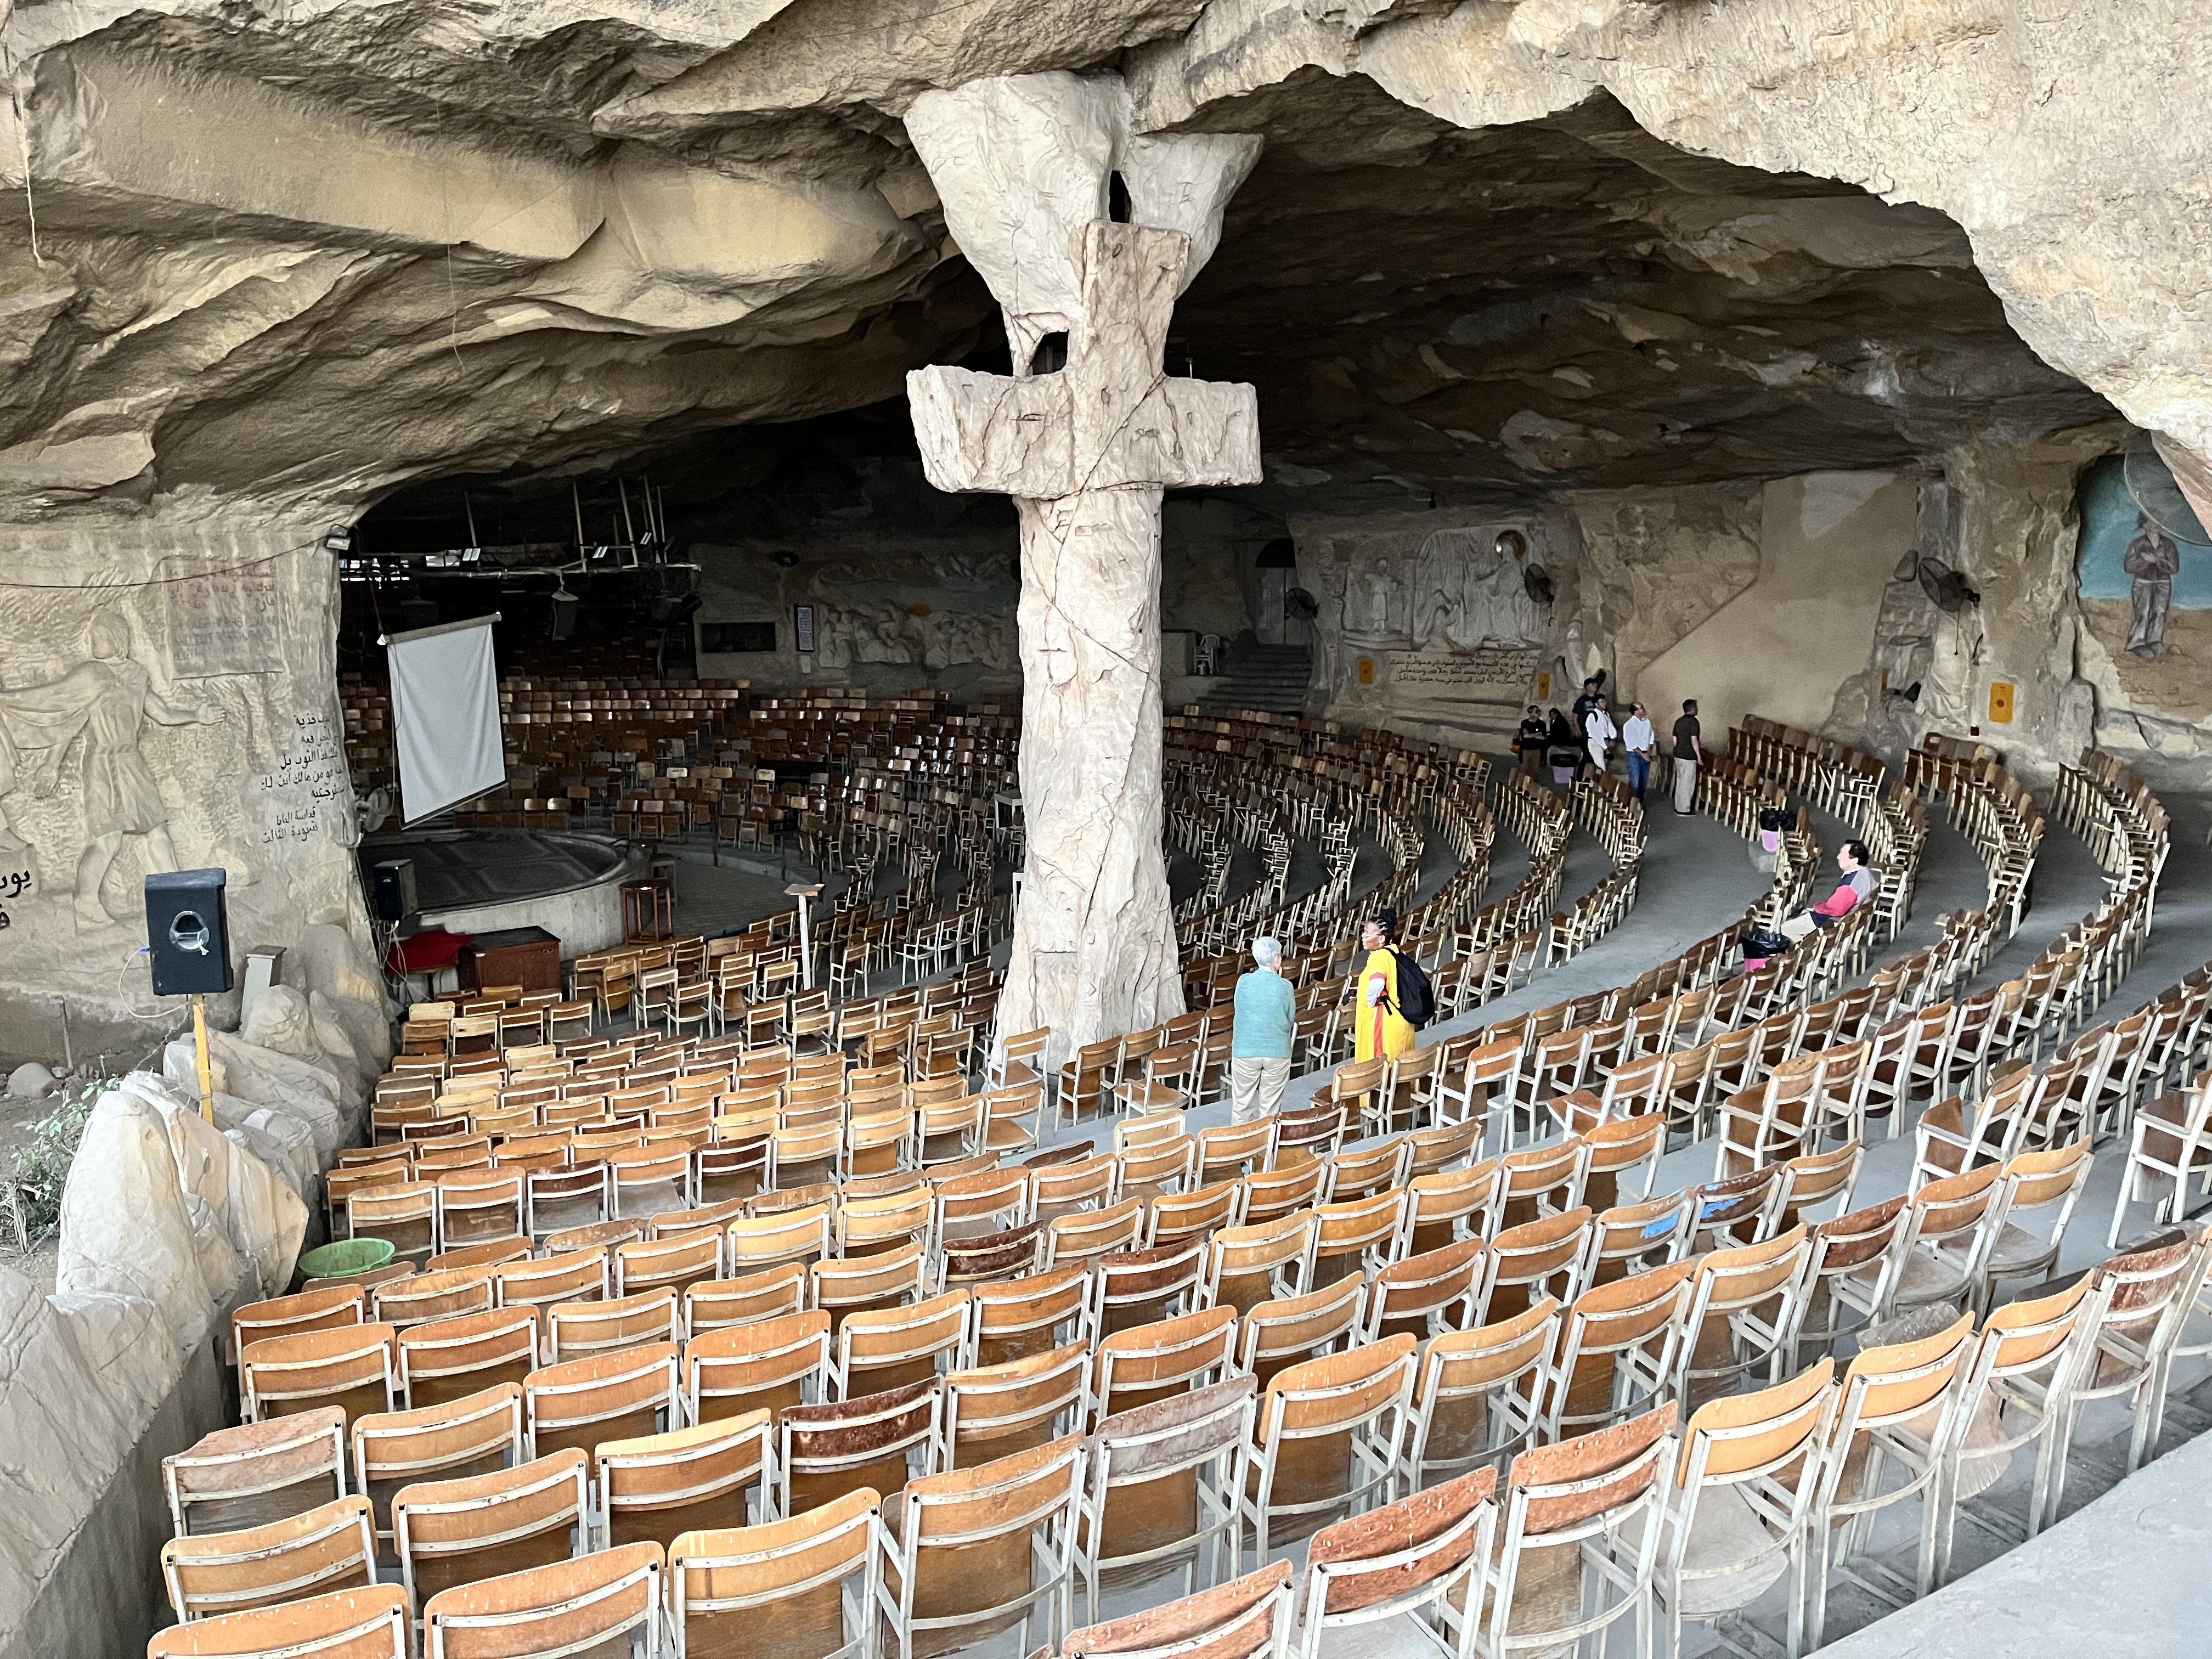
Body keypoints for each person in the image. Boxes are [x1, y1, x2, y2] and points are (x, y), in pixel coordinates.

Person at [1229, 935, 1296, 1124]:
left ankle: (1239, 1146)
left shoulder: (1243, 981)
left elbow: (1240, 1008)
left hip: (1245, 1050)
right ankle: (1266, 1147)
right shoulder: (1286, 986)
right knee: (1270, 1109)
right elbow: (1290, 1017)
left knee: (1241, 1105)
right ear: (1276, 959)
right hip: (1277, 1051)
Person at [1347, 909, 1418, 1062]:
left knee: (1379, 1070)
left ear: (1381, 939)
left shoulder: (1377, 957)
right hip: (1401, 1020)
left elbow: (1378, 982)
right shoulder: (1395, 950)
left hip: (1384, 1023)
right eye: (1364, 932)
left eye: (1368, 933)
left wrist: (1370, 1000)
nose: (1364, 937)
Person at [1779, 840, 1877, 944]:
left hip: (1833, 923)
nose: (1838, 857)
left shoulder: (1849, 886)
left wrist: (1817, 907)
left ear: (1854, 861)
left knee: (1787, 928)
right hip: (1848, 919)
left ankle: (1807, 954)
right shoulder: (1866, 873)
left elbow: (1835, 911)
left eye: (1842, 854)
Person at [2124, 512, 2183, 658]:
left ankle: (2155, 642)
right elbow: (2129, 567)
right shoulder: (2138, 544)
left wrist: (2156, 560)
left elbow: (2174, 568)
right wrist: (2146, 561)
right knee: (2143, 613)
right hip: (2143, 582)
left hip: (2163, 583)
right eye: (2152, 521)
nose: (2156, 524)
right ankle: (2137, 644)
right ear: (2144, 525)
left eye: (2158, 521)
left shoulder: (2168, 545)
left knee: (2160, 612)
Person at [1671, 698, 1703, 815]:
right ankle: (1684, 809)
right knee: (1688, 783)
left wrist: (1679, 748)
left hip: (1678, 754)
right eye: (1696, 707)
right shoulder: (1694, 722)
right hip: (1689, 756)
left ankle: (1678, 806)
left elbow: (1675, 738)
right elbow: (1694, 740)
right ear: (1693, 708)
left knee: (1680, 781)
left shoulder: (1679, 721)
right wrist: (1699, 757)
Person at [1622, 701, 1656, 802]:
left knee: (1643, 782)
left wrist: (1649, 750)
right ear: (1636, 712)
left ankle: (1639, 803)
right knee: (1635, 782)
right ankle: (1631, 803)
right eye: (1641, 708)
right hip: (1635, 755)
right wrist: (1642, 753)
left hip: (1646, 753)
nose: (1644, 709)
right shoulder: (1629, 725)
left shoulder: (1647, 722)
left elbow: (1651, 736)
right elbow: (1630, 742)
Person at [1570, 677, 1601, 777]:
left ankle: (1590, 778)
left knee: (1595, 757)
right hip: (1586, 732)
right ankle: (1580, 778)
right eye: (1593, 684)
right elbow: (1575, 717)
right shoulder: (1582, 701)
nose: (1596, 686)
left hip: (1598, 733)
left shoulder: (1599, 700)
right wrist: (1578, 730)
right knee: (1587, 756)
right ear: (1588, 687)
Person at [1583, 693, 1617, 777]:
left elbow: (1610, 728)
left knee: (1603, 765)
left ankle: (1599, 786)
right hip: (1595, 743)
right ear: (1596, 704)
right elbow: (1595, 733)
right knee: (1601, 766)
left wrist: (1612, 739)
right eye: (1602, 702)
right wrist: (1606, 748)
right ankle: (1599, 787)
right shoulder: (1592, 716)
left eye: (1605, 701)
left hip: (1605, 742)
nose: (1604, 703)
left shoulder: (1606, 714)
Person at [1544, 708, 1580, 788]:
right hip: (1556, 737)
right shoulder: (1553, 721)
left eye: (1554, 714)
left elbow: (1560, 731)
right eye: (1551, 715)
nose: (1553, 716)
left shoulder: (1560, 720)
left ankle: (1543, 759)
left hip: (1561, 739)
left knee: (1545, 742)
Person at [1515, 704, 1547, 776]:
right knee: (1524, 769)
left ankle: (1534, 785)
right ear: (1531, 713)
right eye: (1536, 711)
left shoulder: (1542, 724)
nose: (1539, 713)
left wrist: (1531, 735)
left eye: (1538, 711)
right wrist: (1537, 734)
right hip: (1526, 750)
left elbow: (1543, 737)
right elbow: (1525, 736)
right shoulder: (1525, 723)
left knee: (1535, 770)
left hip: (1537, 750)